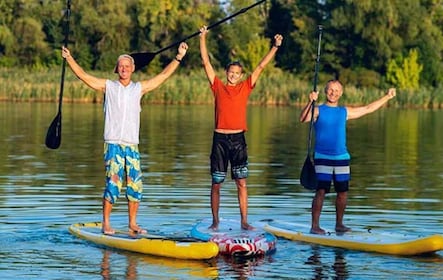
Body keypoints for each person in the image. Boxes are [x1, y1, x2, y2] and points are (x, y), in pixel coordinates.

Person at [61, 42, 189, 235]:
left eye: (127, 66)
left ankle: (133, 224)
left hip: (132, 146)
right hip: (113, 144)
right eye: (121, 66)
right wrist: (69, 58)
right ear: (116, 69)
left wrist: (178, 57)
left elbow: (162, 77)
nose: (124, 69)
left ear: (133, 69)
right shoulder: (108, 86)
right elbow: (84, 76)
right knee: (113, 184)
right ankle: (106, 223)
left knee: (135, 185)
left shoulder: (139, 88)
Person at [199, 26, 283, 230]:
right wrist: (203, 38)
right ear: (226, 72)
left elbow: (261, 67)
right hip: (220, 139)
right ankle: (215, 221)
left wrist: (275, 47)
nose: (234, 75)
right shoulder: (217, 86)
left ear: (241, 75)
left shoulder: (246, 87)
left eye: (237, 73)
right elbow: (206, 62)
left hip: (238, 140)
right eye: (231, 72)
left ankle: (244, 221)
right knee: (216, 182)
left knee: (242, 182)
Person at [299, 79, 396, 234]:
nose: (333, 93)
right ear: (325, 91)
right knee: (321, 191)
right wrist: (310, 102)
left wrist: (387, 97)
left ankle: (339, 224)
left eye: (337, 91)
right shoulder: (317, 110)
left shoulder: (344, 111)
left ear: (341, 93)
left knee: (343, 192)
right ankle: (315, 226)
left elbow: (368, 109)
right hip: (322, 157)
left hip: (342, 158)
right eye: (331, 90)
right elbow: (303, 119)